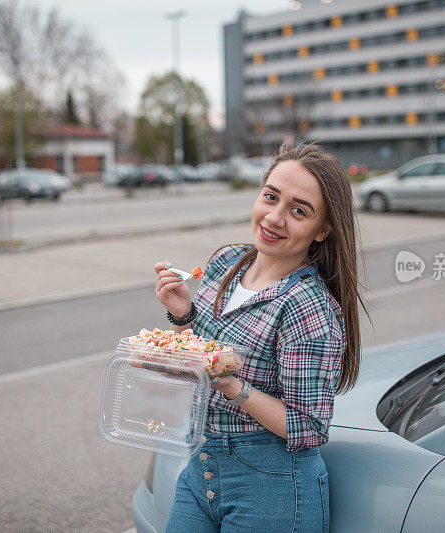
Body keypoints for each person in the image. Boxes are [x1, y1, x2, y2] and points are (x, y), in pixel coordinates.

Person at [154, 143, 366, 532]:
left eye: (298, 210)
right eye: (270, 196)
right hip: (203, 466)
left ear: (323, 230)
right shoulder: (226, 262)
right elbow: (202, 359)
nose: (274, 217)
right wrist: (182, 317)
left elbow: (309, 426)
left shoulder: (308, 307)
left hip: (272, 486)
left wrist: (234, 386)